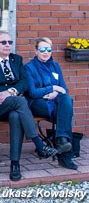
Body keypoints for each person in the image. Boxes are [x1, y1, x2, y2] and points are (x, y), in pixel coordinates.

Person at [0, 30, 57, 181]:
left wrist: (11, 91)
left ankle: (15, 165)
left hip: (16, 105)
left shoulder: (17, 60)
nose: (8, 45)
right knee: (21, 101)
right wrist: (6, 93)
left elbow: (25, 82)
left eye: (10, 42)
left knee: (15, 116)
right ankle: (38, 144)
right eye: (4, 42)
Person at [25, 37, 77, 170]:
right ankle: (65, 154)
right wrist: (53, 88)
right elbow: (33, 92)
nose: (46, 52)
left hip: (55, 101)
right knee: (66, 110)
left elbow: (64, 89)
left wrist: (56, 92)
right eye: (42, 49)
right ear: (36, 51)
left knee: (66, 99)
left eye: (49, 49)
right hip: (38, 103)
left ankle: (60, 140)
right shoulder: (29, 68)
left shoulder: (55, 65)